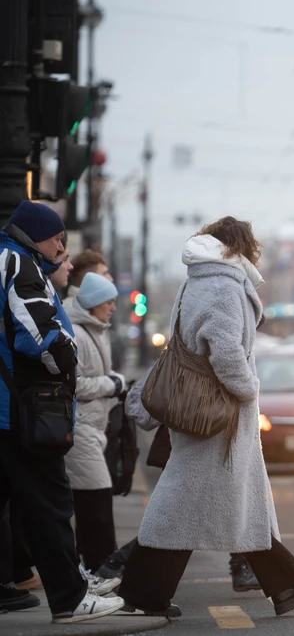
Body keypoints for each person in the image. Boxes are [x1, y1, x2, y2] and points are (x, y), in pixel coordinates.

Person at [117, 217, 294, 618]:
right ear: (239, 247)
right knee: (181, 506)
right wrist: (248, 389)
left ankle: (286, 585)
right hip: (216, 415)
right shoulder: (222, 285)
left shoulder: (199, 279)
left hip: (211, 414)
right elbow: (226, 350)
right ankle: (143, 596)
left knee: (236, 502)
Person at [0, 200, 125, 623]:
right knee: (50, 503)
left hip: (8, 407)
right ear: (38, 237)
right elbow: (40, 335)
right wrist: (67, 353)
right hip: (21, 410)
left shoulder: (8, 259)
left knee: (20, 504)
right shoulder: (20, 265)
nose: (62, 248)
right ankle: (71, 599)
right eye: (58, 239)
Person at [64, 274, 125, 580]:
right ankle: (101, 566)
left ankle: (98, 565)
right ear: (94, 303)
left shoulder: (95, 330)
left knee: (93, 499)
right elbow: (73, 384)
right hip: (80, 426)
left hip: (92, 427)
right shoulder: (77, 332)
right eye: (109, 302)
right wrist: (112, 384)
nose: (113, 308)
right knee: (95, 498)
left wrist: (114, 381)